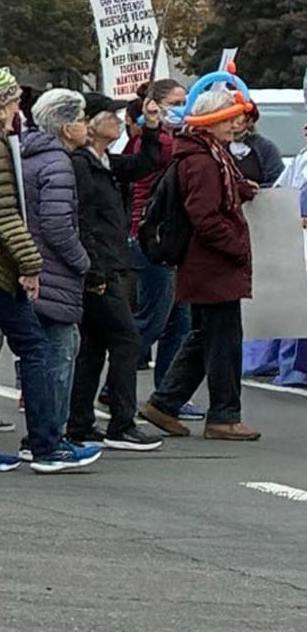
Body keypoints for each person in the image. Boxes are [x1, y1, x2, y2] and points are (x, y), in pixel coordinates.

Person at [0, 67, 98, 474]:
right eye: (12, 101)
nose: (17, 109)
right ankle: (46, 446)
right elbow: (5, 213)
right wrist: (30, 264)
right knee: (34, 347)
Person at [138, 86, 261, 442]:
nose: (234, 125)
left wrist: (241, 190)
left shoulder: (205, 154)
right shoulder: (203, 160)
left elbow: (216, 195)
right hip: (211, 263)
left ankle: (164, 403)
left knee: (204, 337)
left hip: (204, 264)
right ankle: (224, 415)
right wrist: (237, 246)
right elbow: (204, 215)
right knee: (224, 342)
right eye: (228, 119)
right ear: (211, 121)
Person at [69, 92, 166, 451]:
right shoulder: (82, 165)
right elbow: (80, 220)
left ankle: (79, 422)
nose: (116, 121)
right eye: (109, 115)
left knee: (94, 345)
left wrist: (152, 126)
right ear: (90, 124)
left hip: (109, 261)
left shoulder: (105, 161)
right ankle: (121, 423)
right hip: (99, 266)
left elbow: (145, 163)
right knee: (126, 340)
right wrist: (94, 269)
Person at [22, 91, 92, 432]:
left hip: (36, 265)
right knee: (59, 355)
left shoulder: (29, 155)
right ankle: (50, 437)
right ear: (66, 127)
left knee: (47, 352)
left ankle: (45, 434)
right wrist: (82, 261)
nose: (86, 125)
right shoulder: (57, 163)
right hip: (53, 270)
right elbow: (56, 224)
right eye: (81, 119)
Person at [128, 78, 190, 404]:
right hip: (152, 237)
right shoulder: (161, 143)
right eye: (176, 103)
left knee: (178, 321)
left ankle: (168, 394)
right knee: (152, 320)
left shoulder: (168, 139)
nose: (184, 109)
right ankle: (114, 385)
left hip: (170, 238)